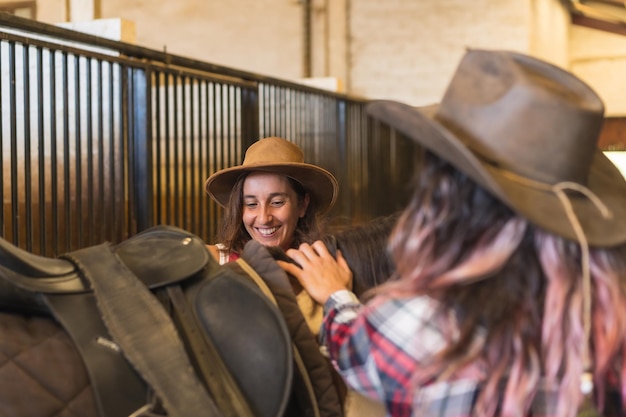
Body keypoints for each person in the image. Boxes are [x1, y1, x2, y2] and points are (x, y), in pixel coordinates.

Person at [278, 49, 626, 417]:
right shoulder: (607, 320)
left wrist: (336, 296)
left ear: (449, 198)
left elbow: (357, 351)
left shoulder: (427, 326)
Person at [204, 135, 338, 264]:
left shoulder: (323, 267)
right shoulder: (215, 263)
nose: (263, 219)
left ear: (302, 205)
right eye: (251, 204)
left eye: (277, 202)